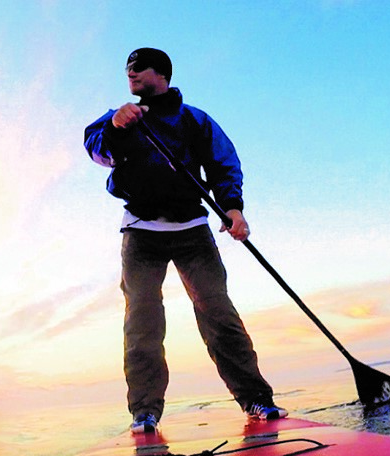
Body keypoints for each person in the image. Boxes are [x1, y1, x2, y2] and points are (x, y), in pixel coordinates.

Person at [84, 47, 286, 434]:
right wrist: (114, 126)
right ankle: (144, 413)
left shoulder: (195, 120)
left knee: (219, 314)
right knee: (142, 322)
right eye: (127, 69)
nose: (131, 74)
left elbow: (224, 162)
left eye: (138, 68)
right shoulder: (122, 117)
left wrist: (233, 207)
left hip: (192, 230)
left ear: (161, 74)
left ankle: (257, 399)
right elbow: (96, 147)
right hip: (141, 233)